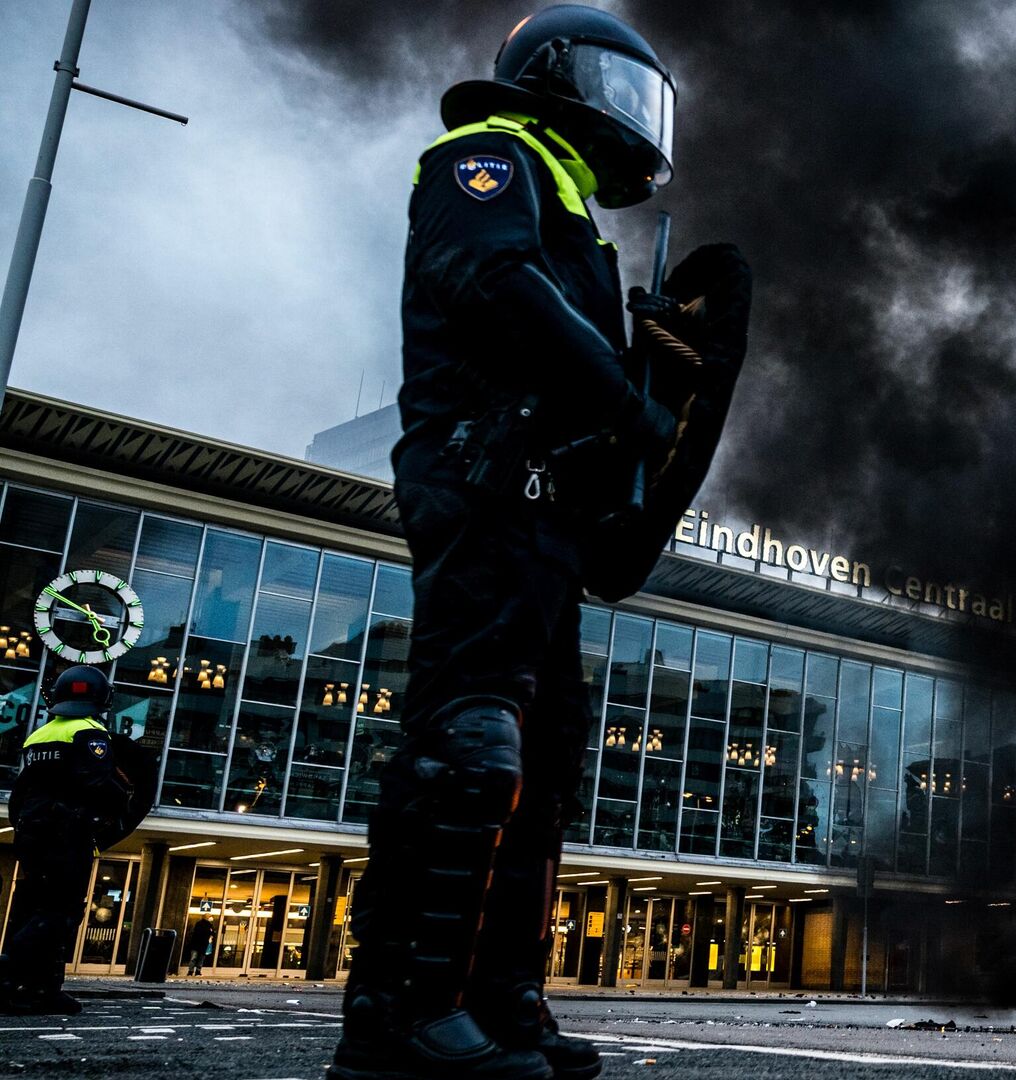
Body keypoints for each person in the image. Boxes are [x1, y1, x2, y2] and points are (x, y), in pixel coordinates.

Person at [332, 6, 748, 1080]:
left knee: (540, 772)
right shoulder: (488, 156)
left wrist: (661, 378)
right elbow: (493, 285)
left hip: (547, 514)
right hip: (481, 483)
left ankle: (502, 1002)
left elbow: (574, 370)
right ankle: (402, 1021)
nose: (630, 114)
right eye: (615, 83)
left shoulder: (573, 207)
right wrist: (623, 389)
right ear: (554, 74)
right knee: (468, 752)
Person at [0, 665, 152, 1014]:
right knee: (62, 911)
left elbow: (23, 790)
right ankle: (8, 975)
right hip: (67, 833)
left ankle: (43, 989)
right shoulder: (89, 732)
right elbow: (96, 782)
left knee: (34, 907)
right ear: (102, 699)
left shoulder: (39, 735)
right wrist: (119, 807)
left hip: (33, 831)